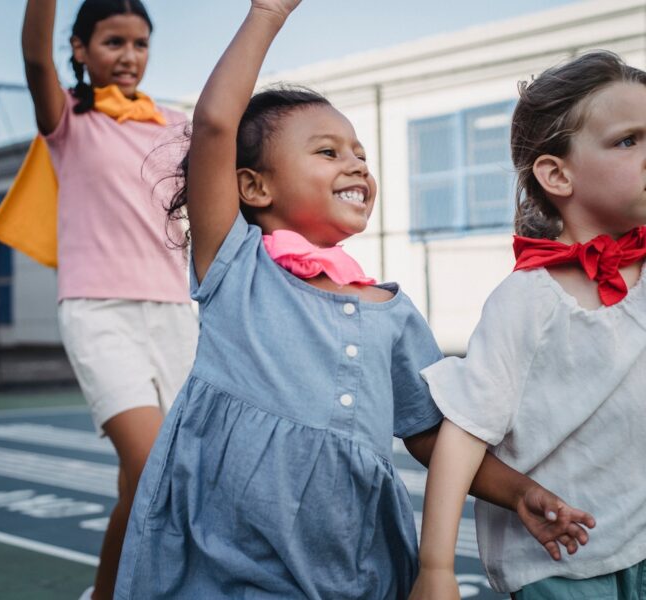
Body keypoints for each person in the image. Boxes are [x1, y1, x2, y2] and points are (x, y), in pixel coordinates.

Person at [113, 2, 594, 598]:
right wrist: (267, 13)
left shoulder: (390, 311)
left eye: (360, 153)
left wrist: (518, 490)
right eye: (327, 152)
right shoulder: (238, 267)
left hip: (348, 557)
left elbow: (432, 436)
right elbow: (214, 123)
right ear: (253, 186)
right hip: (227, 552)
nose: (356, 163)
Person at [410, 50, 646, 600]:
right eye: (629, 140)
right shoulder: (526, 300)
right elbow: (463, 435)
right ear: (557, 173)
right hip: (557, 560)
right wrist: (436, 568)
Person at [17, 1, 198, 598]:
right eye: (113, 42)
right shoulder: (69, 120)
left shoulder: (177, 124)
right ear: (80, 50)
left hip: (176, 316)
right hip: (99, 314)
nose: (128, 56)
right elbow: (34, 58)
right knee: (153, 472)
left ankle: (103, 594)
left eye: (140, 44)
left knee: (137, 486)